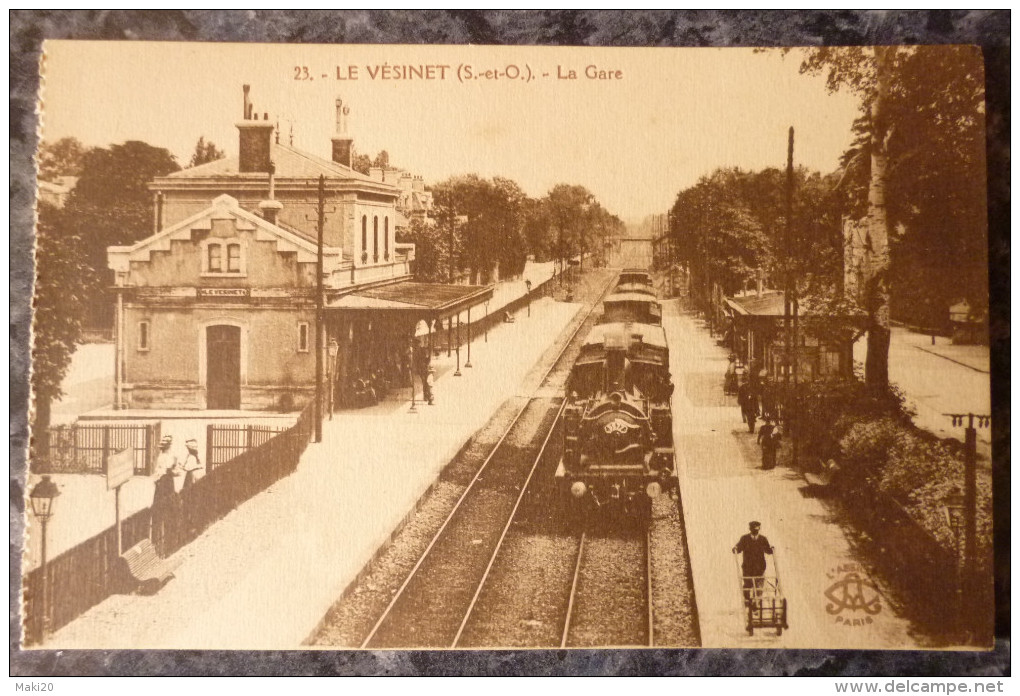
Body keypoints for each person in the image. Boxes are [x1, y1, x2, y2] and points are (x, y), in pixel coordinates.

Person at [733, 521, 774, 605]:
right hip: (747, 567)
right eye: (753, 529)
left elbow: (767, 550)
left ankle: (756, 602)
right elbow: (739, 548)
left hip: (760, 567)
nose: (755, 531)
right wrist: (735, 548)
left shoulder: (763, 539)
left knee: (759, 586)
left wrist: (771, 549)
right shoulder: (744, 538)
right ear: (750, 529)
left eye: (757, 529)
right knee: (748, 584)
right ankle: (747, 600)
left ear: (759, 529)